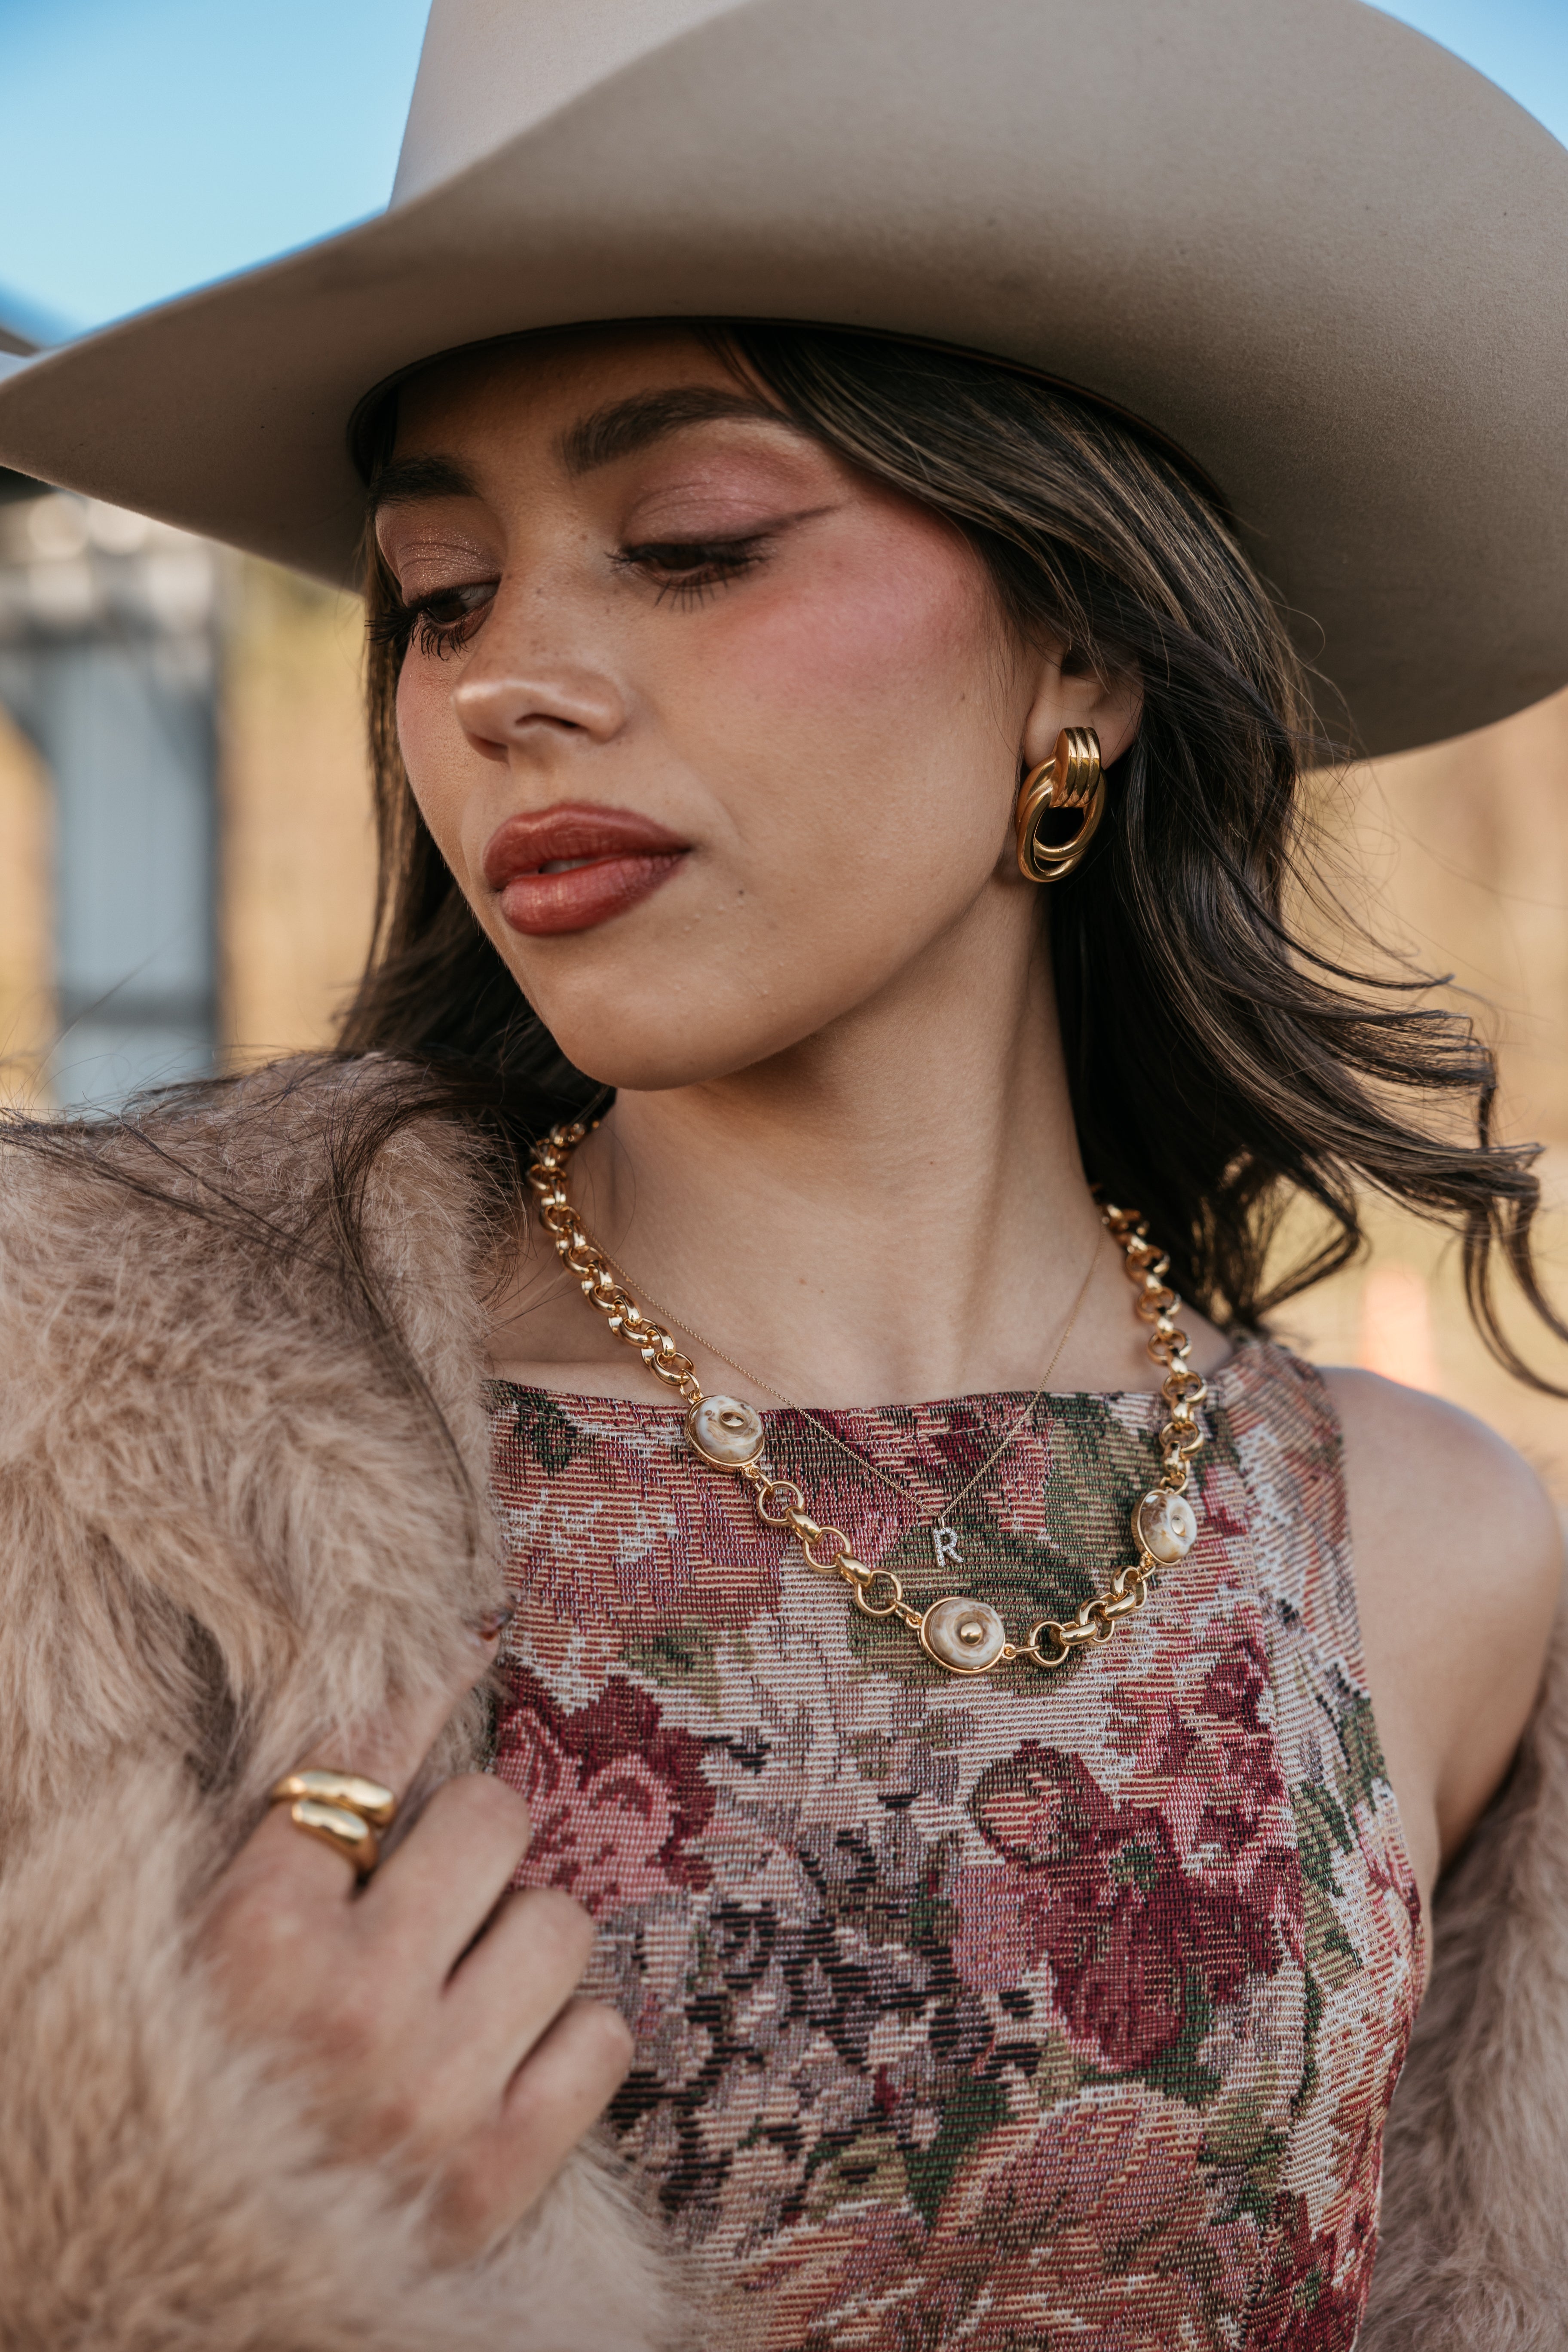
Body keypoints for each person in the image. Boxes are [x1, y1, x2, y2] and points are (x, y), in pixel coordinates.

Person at [0, 4, 1566, 2347]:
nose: (504, 682)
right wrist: (148, 2253)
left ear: (1082, 653)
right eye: (439, 591)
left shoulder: (1433, 1559)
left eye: (691, 544)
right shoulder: (117, 1515)